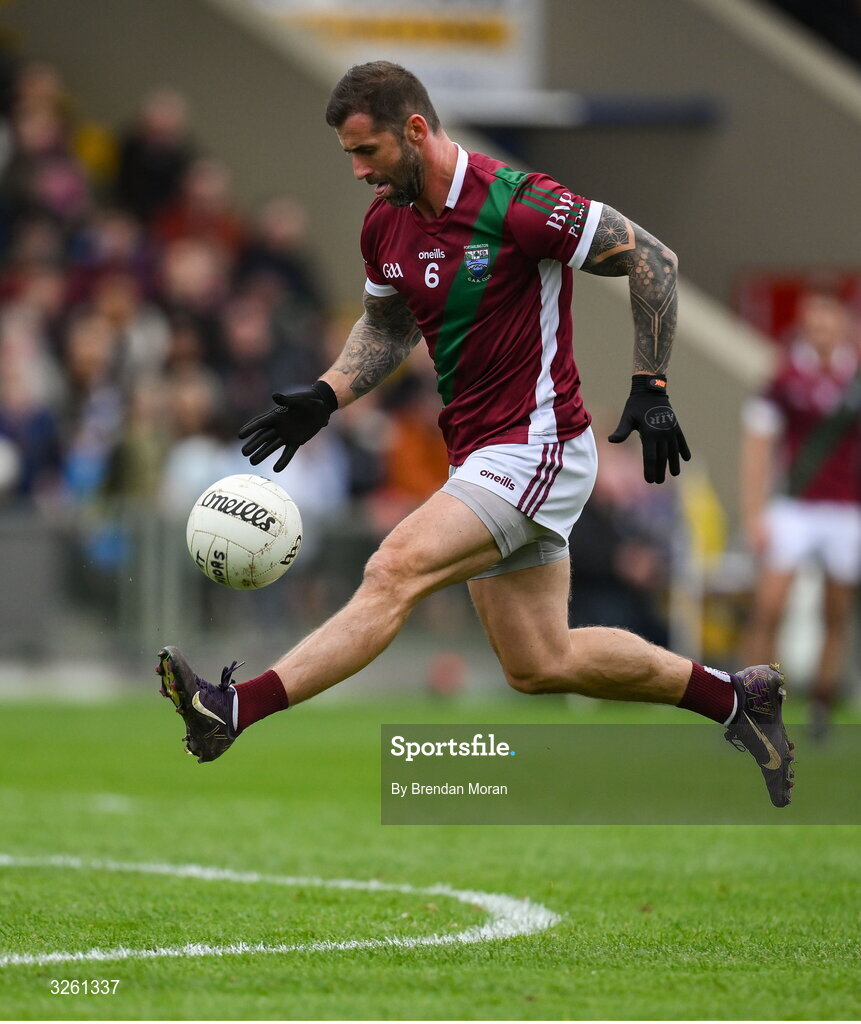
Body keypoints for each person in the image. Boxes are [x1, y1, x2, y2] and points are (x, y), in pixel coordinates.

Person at [157, 61, 795, 808]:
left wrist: (649, 384)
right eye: (348, 156)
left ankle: (237, 710)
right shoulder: (384, 223)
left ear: (416, 130)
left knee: (393, 568)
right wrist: (327, 394)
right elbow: (388, 326)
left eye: (366, 152)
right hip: (481, 455)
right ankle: (735, 698)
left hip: (539, 444)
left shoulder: (517, 202)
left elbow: (653, 259)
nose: (358, 170)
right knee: (538, 663)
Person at [740, 289, 861, 739]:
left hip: (846, 509)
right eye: (813, 321)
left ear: (843, 325)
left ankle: (823, 704)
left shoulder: (856, 376)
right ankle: (755, 704)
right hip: (795, 506)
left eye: (828, 321)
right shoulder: (787, 375)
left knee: (836, 611)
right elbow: (757, 442)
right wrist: (754, 512)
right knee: (768, 606)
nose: (821, 329)